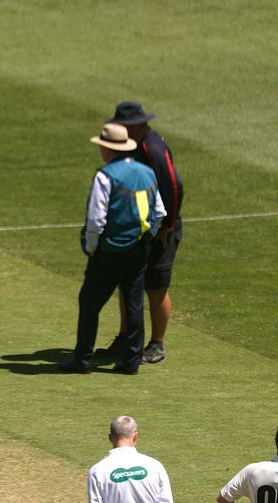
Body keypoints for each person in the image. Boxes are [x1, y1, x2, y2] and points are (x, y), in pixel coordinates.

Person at [58, 123, 162, 375]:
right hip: (138, 250)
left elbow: (96, 219)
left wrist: (92, 248)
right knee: (134, 303)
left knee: (90, 301)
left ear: (107, 148)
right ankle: (131, 361)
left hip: (109, 251)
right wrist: (147, 238)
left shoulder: (105, 175)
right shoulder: (147, 172)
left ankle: (83, 358)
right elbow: (159, 212)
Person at [96, 101, 183, 365]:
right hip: (140, 226)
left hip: (160, 229)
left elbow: (174, 186)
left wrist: (167, 224)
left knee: (156, 286)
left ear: (133, 126)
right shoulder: (136, 145)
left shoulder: (152, 147)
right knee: (128, 281)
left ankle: (157, 344)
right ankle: (126, 338)